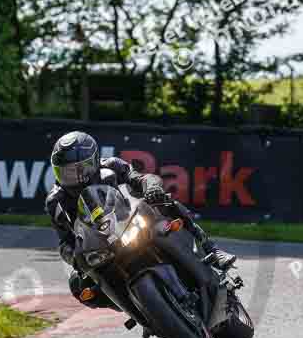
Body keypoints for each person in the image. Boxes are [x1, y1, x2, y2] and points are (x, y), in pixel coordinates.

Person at [45, 131, 236, 311]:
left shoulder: (111, 165)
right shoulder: (55, 201)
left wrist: (152, 187)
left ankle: (211, 249)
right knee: (78, 286)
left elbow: (142, 178)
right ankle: (134, 306)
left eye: (78, 170)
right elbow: (64, 241)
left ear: (93, 160)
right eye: (66, 173)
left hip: (131, 220)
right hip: (101, 245)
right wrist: (74, 257)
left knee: (166, 202)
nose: (73, 178)